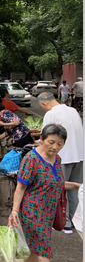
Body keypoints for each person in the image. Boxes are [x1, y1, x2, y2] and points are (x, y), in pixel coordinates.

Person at [8, 124, 82, 262]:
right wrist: (14, 211)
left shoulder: (57, 159)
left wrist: (77, 185)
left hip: (48, 213)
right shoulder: (31, 159)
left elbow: (56, 183)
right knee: (43, 252)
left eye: (60, 144)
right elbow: (20, 187)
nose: (55, 147)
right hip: (32, 212)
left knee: (36, 248)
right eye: (51, 142)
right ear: (41, 139)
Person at [38, 91, 84, 234]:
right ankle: (76, 221)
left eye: (42, 107)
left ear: (44, 103)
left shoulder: (50, 114)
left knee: (60, 188)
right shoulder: (73, 111)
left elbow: (44, 137)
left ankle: (65, 224)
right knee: (76, 189)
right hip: (80, 155)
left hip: (63, 156)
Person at [0, 89, 33, 159]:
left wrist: (2, 125)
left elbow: (15, 124)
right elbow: (19, 109)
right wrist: (27, 112)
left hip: (1, 124)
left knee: (11, 145)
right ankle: (7, 156)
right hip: (6, 125)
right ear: (6, 94)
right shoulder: (8, 104)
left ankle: (1, 155)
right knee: (15, 147)